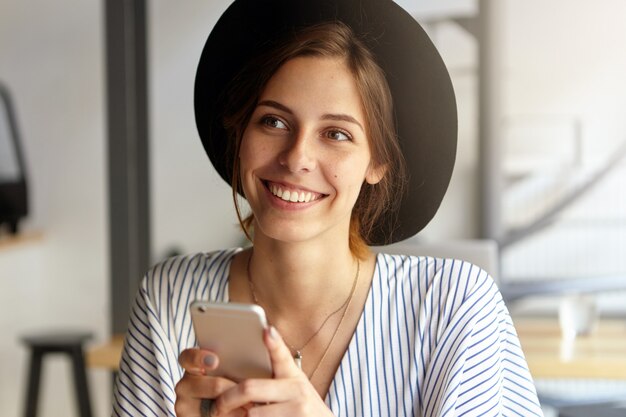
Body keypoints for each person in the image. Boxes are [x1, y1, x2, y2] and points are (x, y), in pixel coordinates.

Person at [112, 1, 543, 416]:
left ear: (377, 162)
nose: (297, 157)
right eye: (273, 121)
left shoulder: (455, 306)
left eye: (336, 133)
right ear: (240, 135)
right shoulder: (168, 300)